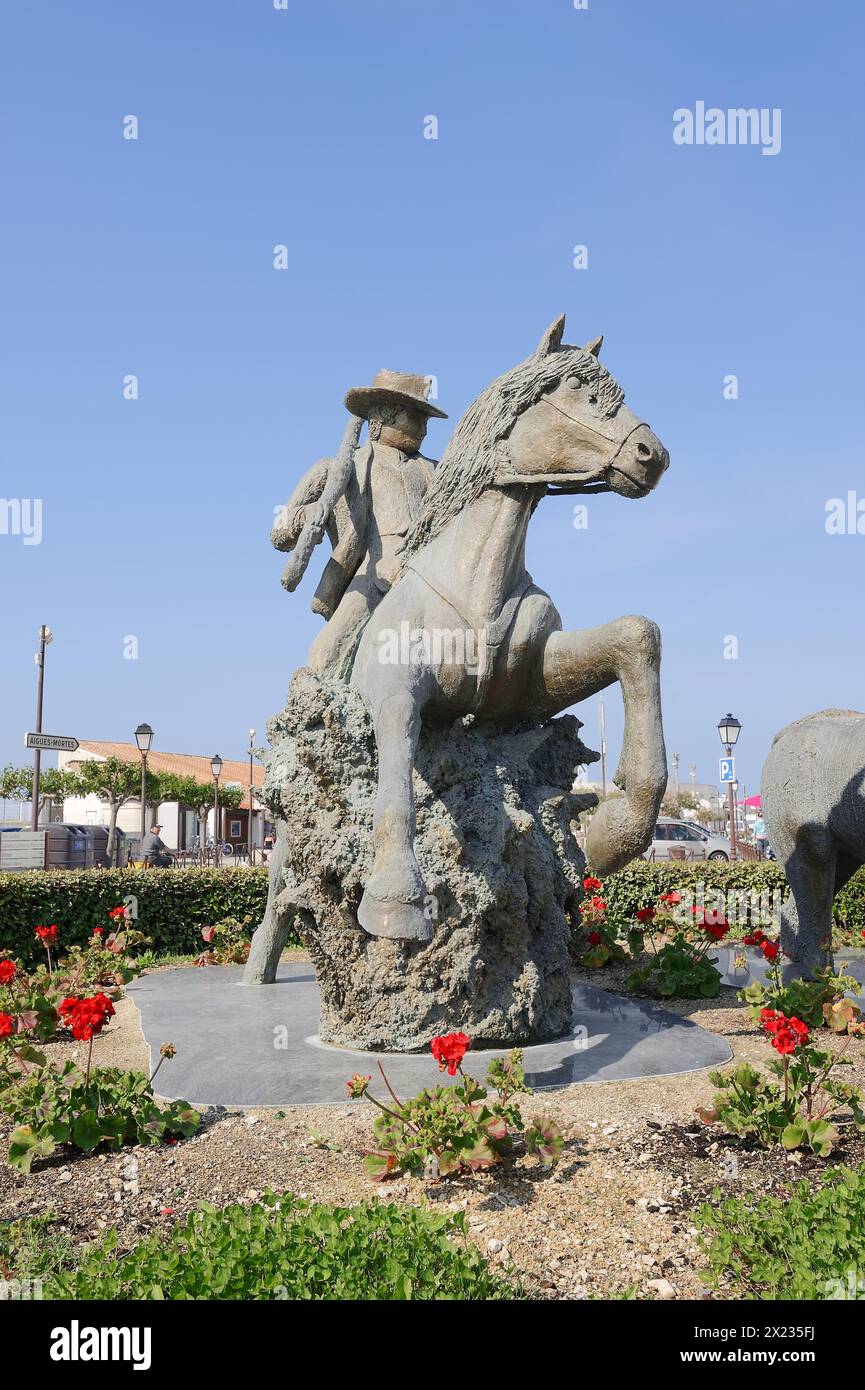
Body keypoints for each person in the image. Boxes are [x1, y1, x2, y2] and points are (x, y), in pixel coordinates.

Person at [272, 369, 447, 682]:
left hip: (432, 570)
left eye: (426, 420)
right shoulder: (338, 468)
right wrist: (312, 511)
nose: (423, 429)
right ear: (380, 417)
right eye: (415, 417)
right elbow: (279, 532)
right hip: (376, 575)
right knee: (326, 654)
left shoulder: (435, 470)